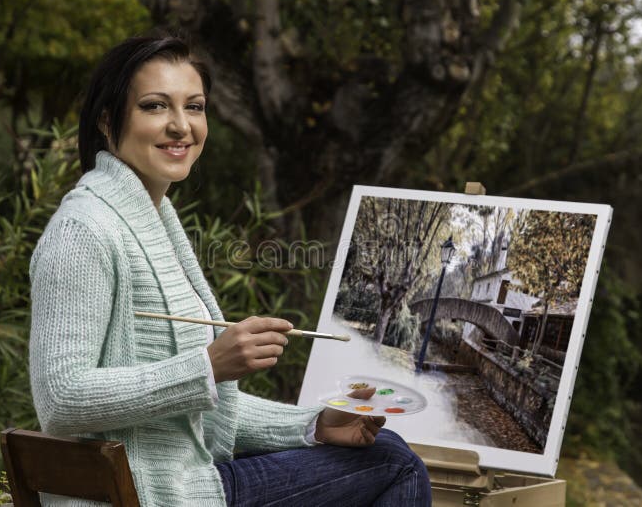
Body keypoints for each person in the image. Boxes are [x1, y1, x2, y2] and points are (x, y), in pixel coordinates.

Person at [29, 32, 431, 506]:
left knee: (387, 446)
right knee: (395, 464)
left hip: (179, 482)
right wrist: (209, 365)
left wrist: (313, 425)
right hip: (156, 494)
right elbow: (60, 399)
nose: (181, 126)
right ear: (105, 119)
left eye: (194, 107)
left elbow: (197, 414)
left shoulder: (154, 219)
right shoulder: (84, 229)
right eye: (156, 106)